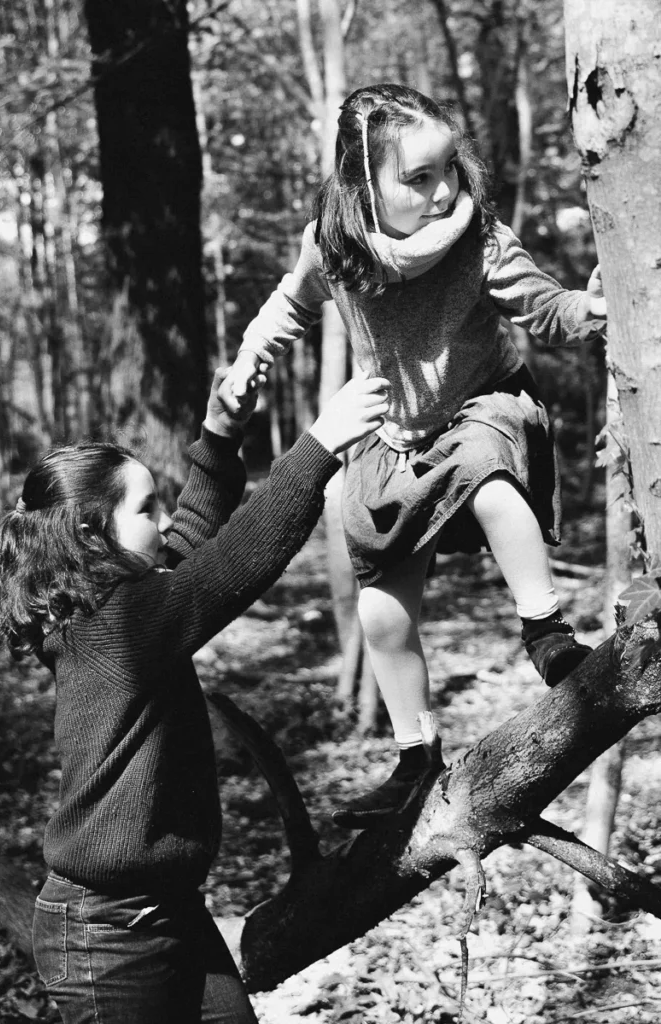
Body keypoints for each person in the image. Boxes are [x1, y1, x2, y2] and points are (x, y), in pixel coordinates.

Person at [223, 83, 607, 831]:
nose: (440, 193)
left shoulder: (478, 236)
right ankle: (415, 756)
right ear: (364, 185)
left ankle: (547, 635)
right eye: (417, 179)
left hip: (479, 406)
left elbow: (543, 304)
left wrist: (588, 309)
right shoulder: (331, 247)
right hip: (391, 435)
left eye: (447, 170)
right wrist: (248, 361)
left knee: (491, 482)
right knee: (381, 613)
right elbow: (289, 305)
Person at [0, 365, 390, 1024]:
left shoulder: (107, 601)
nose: (162, 517)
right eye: (146, 508)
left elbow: (190, 537)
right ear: (96, 534)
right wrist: (319, 446)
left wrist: (219, 436)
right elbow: (233, 562)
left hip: (168, 907)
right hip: (107, 937)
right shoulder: (117, 622)